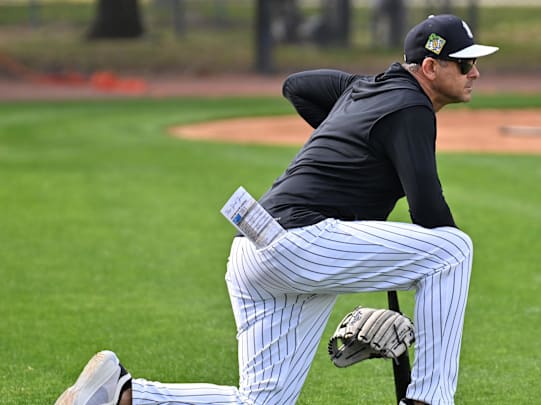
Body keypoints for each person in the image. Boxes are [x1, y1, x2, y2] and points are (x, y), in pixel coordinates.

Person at [55, 14, 498, 405]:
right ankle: (428, 401)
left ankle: (123, 395)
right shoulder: (410, 107)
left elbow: (298, 86)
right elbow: (429, 214)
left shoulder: (364, 90)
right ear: (429, 67)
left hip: (253, 246)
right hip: (301, 241)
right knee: (453, 249)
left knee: (262, 401)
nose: (475, 72)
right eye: (464, 63)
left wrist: (353, 135)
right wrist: (412, 299)